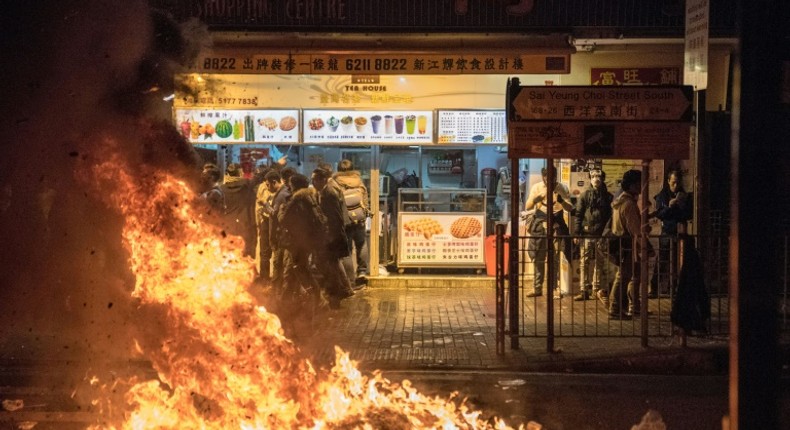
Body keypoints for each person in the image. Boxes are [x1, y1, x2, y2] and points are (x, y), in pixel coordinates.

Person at [524, 166, 573, 299]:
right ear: (543, 177)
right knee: (538, 258)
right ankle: (537, 287)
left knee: (555, 258)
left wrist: (561, 201)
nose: (548, 180)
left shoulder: (562, 188)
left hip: (556, 225)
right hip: (540, 224)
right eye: (546, 177)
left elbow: (570, 208)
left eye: (551, 177)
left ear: (555, 176)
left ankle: (554, 288)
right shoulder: (537, 187)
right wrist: (536, 200)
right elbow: (527, 206)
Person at [608, 169, 649, 320]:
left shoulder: (620, 202)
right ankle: (616, 308)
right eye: (639, 183)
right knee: (624, 277)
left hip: (621, 244)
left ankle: (626, 307)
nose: (641, 186)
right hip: (628, 246)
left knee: (627, 276)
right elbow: (635, 230)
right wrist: (645, 245)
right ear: (632, 185)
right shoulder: (629, 205)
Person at [277, 173, 325, 302]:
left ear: (295, 186)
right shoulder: (312, 197)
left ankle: (314, 297)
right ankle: (304, 296)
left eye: (291, 184)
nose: (289, 187)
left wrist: (281, 210)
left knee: (299, 268)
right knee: (300, 268)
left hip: (297, 241)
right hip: (308, 240)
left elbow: (284, 220)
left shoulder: (296, 200)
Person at [311, 168, 355, 308]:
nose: (313, 182)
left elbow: (335, 218)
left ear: (323, 179)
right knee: (335, 265)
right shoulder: (326, 191)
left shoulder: (329, 193)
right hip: (333, 236)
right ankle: (344, 290)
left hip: (333, 237)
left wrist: (331, 237)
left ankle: (337, 296)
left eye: (315, 180)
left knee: (332, 267)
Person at [648, 169, 693, 298]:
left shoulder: (683, 194)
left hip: (680, 232)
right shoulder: (663, 195)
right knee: (662, 260)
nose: (675, 186)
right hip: (667, 231)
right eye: (673, 182)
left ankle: (676, 289)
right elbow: (660, 214)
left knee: (680, 261)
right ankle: (654, 288)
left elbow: (688, 214)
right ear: (668, 181)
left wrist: (683, 205)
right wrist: (669, 206)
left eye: (678, 183)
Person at [572, 168, 614, 301]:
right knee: (584, 262)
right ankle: (584, 290)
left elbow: (610, 216)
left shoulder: (607, 197)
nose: (596, 179)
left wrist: (607, 233)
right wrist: (577, 233)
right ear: (590, 178)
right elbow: (578, 215)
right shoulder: (584, 196)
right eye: (594, 176)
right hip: (587, 233)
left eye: (599, 176)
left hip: (601, 234)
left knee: (599, 262)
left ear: (602, 179)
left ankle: (596, 289)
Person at [333, 159, 370, 286]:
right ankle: (362, 272)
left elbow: (335, 202)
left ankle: (350, 278)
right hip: (359, 219)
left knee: (347, 249)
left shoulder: (335, 183)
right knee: (362, 244)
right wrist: (364, 214)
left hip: (345, 220)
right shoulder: (359, 181)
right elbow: (365, 200)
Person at [220, 163, 256, 258]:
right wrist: (277, 165)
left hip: (227, 226)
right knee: (246, 256)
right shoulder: (247, 187)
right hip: (245, 226)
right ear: (240, 173)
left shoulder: (221, 189)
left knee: (228, 255)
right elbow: (261, 178)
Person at [269, 167, 296, 293]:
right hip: (283, 237)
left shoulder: (283, 195)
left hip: (283, 237)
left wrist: (266, 207)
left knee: (282, 266)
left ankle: (282, 293)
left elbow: (278, 218)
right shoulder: (286, 194)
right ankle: (281, 291)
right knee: (282, 266)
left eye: (268, 184)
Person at [255, 170, 281, 283]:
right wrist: (259, 222)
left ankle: (277, 280)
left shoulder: (282, 192)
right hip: (265, 221)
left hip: (276, 223)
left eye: (268, 184)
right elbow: (258, 205)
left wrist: (264, 205)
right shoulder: (263, 187)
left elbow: (274, 211)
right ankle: (264, 278)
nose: (267, 186)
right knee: (264, 252)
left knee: (277, 252)